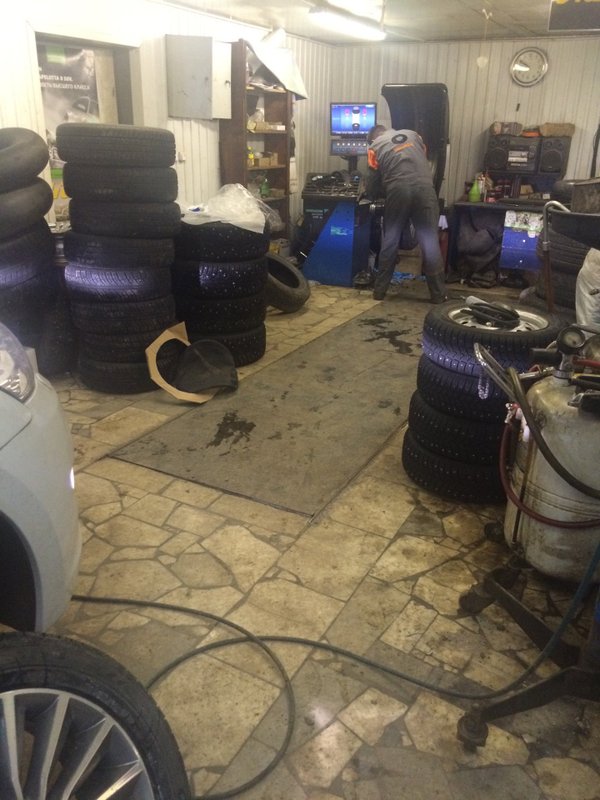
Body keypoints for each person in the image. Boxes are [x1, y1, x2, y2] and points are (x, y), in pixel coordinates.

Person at [365, 125, 447, 303]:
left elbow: (372, 181)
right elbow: (421, 160)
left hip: (398, 190)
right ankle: (438, 295)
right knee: (430, 242)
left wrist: (371, 194)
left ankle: (379, 292)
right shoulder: (414, 135)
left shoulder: (374, 147)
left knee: (390, 240)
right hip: (425, 190)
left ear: (373, 138)